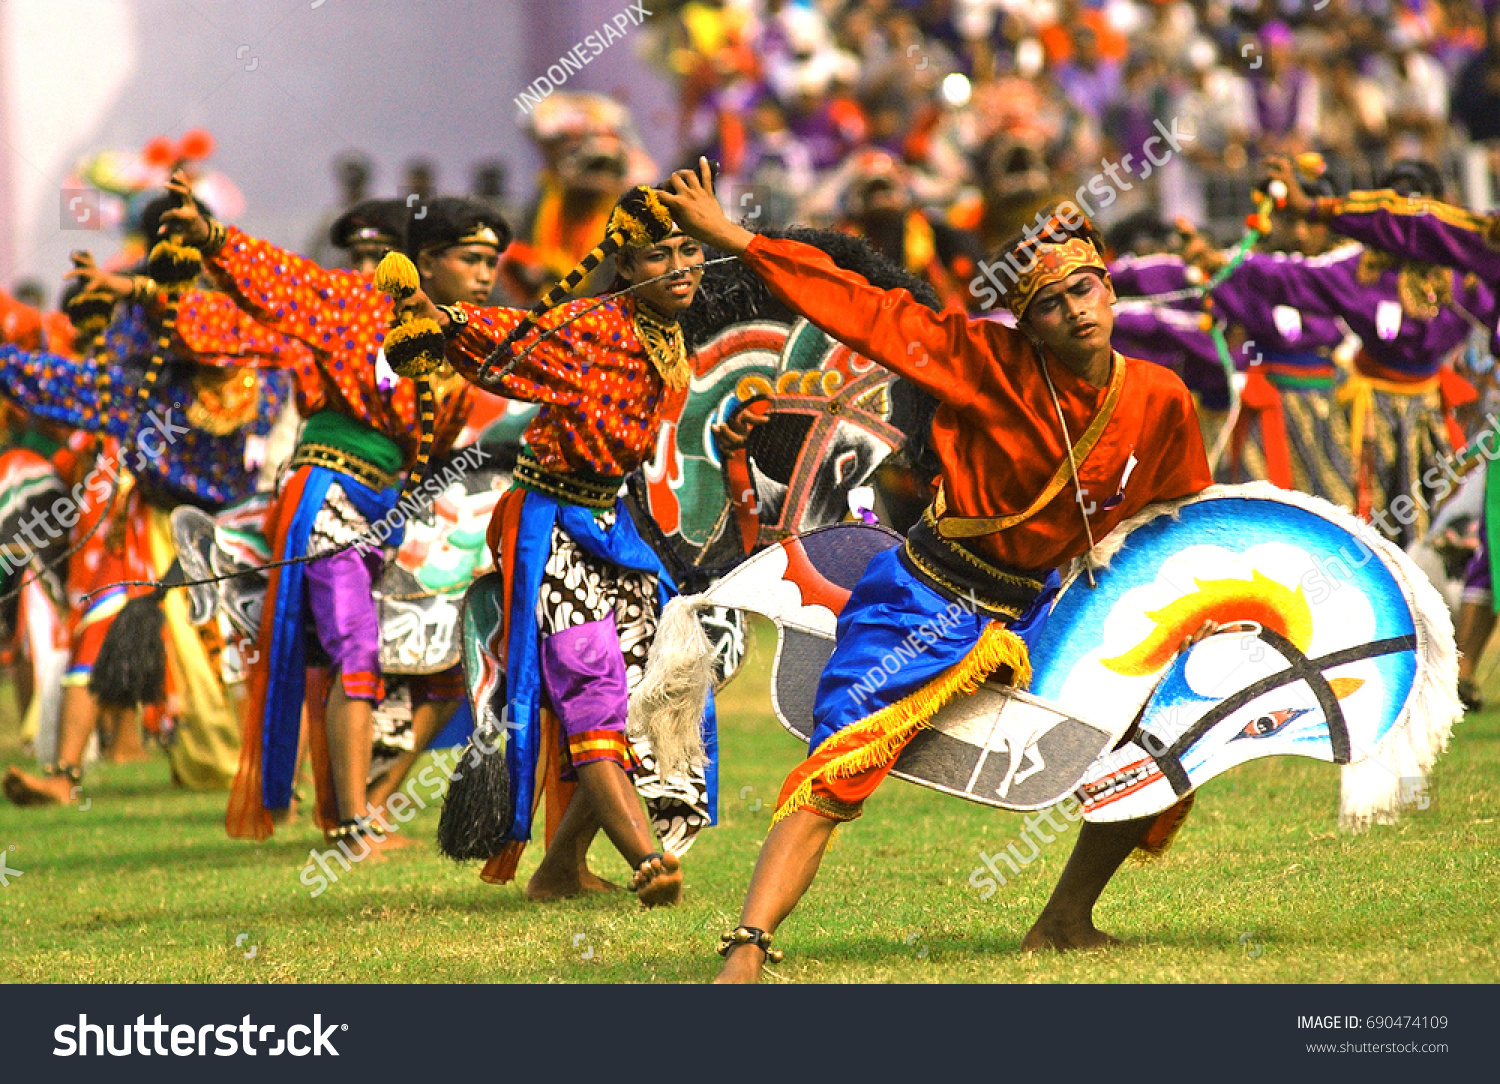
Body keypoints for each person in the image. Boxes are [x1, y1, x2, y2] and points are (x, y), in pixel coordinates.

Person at [656, 159, 1215, 981]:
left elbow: (1175, 518)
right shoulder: (982, 359)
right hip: (928, 597)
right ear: (1028, 323)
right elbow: (866, 310)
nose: (1073, 311)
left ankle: (1064, 919)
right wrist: (733, 237)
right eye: (1051, 304)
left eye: (1085, 290)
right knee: (839, 764)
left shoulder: (1162, 397)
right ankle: (747, 947)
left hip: (1043, 610)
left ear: (1111, 292)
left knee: (1160, 729)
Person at [399, 190, 718, 905]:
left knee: (650, 698)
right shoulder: (591, 324)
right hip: (550, 526)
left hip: (614, 528)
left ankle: (561, 869)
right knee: (593, 695)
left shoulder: (672, 329)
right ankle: (646, 858)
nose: (679, 265)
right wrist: (445, 320)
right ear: (628, 263)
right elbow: (514, 332)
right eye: (658, 253)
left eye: (689, 250)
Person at [159, 175, 498, 847]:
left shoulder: (477, 340)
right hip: (331, 495)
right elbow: (287, 280)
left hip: (392, 510)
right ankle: (348, 823)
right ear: (426, 261)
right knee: (355, 652)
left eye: (493, 262)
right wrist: (214, 241)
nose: (487, 274)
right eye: (472, 259)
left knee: (443, 658)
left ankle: (367, 802)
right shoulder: (357, 303)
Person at [1262, 155, 1500, 708]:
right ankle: (1393, 657)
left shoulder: (1461, 275)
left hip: (1435, 416)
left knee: (1443, 530)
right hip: (1365, 414)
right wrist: (1314, 211)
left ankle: (1437, 658)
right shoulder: (1370, 265)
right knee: (1376, 526)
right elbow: (1409, 226)